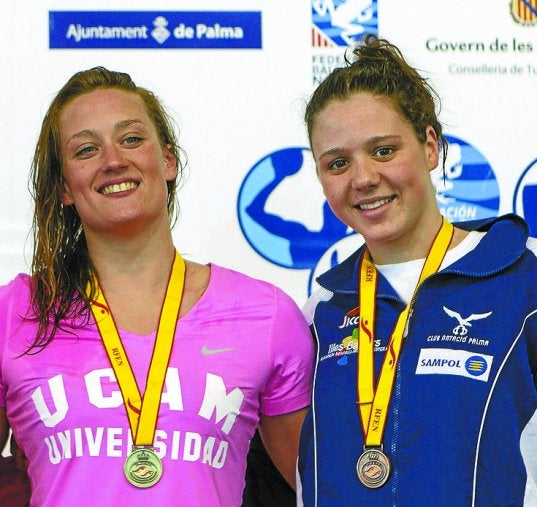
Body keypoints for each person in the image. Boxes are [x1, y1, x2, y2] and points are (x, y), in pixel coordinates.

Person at [0, 66, 314, 506]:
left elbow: (317, 492)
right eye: (86, 149)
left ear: (168, 161)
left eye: (131, 139)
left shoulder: (266, 315)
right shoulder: (14, 312)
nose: (113, 160)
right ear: (64, 187)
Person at [297, 34, 537, 506]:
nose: (363, 178)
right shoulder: (321, 310)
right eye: (338, 163)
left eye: (384, 150)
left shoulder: (533, 275)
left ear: (430, 146)